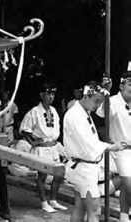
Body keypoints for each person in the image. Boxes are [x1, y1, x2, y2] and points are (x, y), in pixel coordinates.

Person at [64, 81, 126, 222]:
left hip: (84, 167)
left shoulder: (83, 112)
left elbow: (90, 141)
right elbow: (87, 144)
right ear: (86, 96)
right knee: (95, 210)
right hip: (83, 168)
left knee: (80, 207)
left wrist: (107, 90)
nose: (97, 105)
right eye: (96, 101)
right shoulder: (75, 115)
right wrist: (109, 146)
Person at [15, 81, 67, 213]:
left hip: (53, 146)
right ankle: (44, 202)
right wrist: (33, 142)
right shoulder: (35, 111)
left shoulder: (54, 111)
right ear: (42, 95)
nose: (51, 97)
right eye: (48, 94)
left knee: (58, 174)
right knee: (42, 176)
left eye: (53, 94)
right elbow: (25, 129)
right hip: (42, 148)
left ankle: (53, 200)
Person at [96, 73, 131, 222]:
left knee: (125, 185)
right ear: (121, 85)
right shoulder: (114, 101)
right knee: (129, 184)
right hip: (121, 149)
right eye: (130, 83)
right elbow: (103, 113)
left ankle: (124, 216)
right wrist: (106, 92)